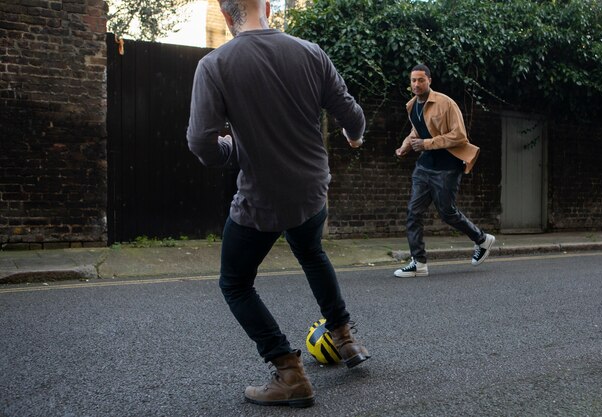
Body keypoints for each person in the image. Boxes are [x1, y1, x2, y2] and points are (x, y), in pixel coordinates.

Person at [186, 0, 370, 408]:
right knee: (310, 249)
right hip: (312, 191)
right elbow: (352, 116)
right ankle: (345, 338)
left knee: (234, 283)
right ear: (267, 5)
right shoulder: (310, 52)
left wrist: (232, 149)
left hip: (263, 199)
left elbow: (200, 143)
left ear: (224, 10)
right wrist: (354, 135)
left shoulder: (215, 65)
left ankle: (289, 373)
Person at [394, 64, 495, 278]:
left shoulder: (445, 103)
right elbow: (416, 132)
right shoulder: (412, 106)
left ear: (429, 80)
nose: (416, 84)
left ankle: (482, 239)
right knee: (413, 212)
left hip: (447, 167)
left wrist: (428, 143)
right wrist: (405, 146)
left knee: (447, 212)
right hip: (424, 167)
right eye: (413, 80)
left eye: (421, 80)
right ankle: (419, 263)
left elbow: (459, 135)